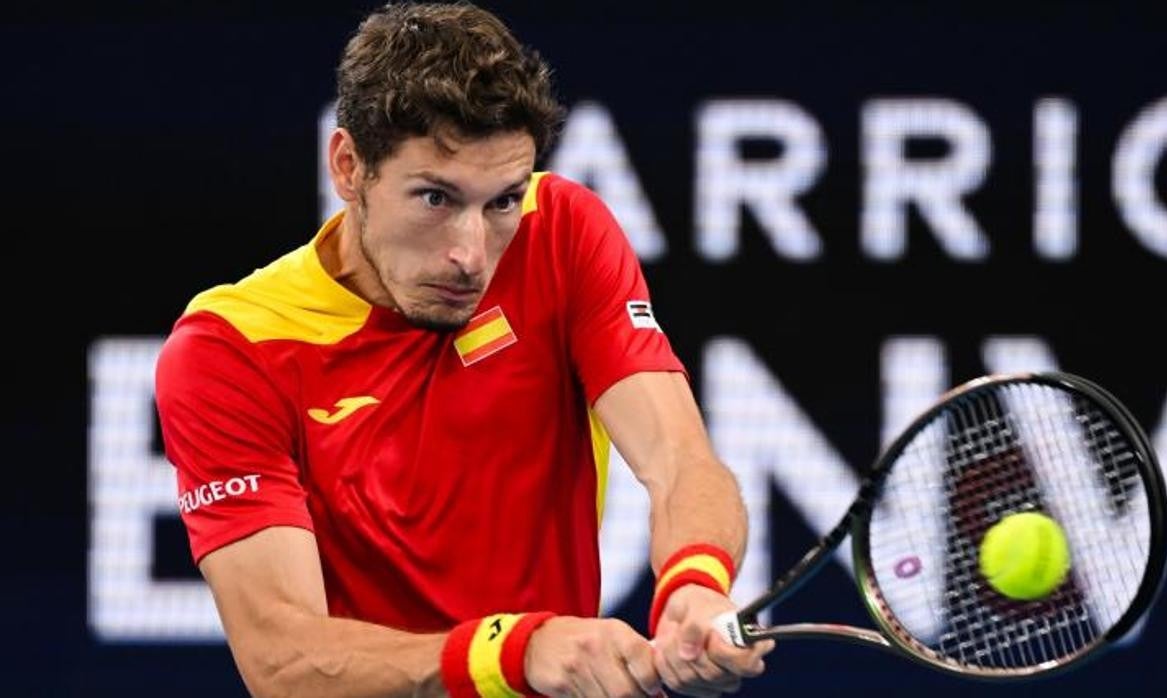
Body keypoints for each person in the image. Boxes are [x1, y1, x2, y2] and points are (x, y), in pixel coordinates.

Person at [155, 3, 772, 696]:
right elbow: (282, 657)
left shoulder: (562, 232)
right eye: (435, 198)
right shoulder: (234, 349)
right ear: (349, 166)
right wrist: (510, 653)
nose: (470, 256)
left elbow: (680, 459)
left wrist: (696, 579)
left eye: (503, 201)